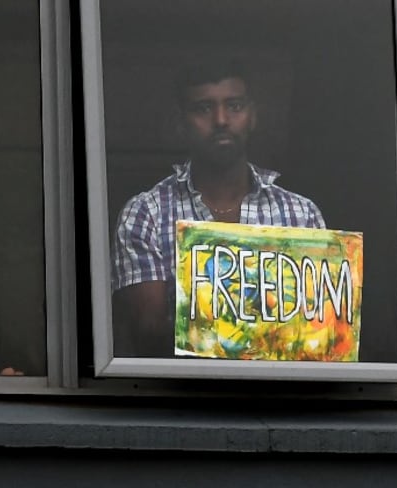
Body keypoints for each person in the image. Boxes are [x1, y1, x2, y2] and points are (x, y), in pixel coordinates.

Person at [111, 61, 326, 357]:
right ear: (180, 121)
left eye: (235, 106)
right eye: (203, 108)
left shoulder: (302, 215)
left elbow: (318, 334)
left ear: (253, 116)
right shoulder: (146, 214)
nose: (222, 120)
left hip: (283, 399)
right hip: (178, 398)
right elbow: (149, 331)